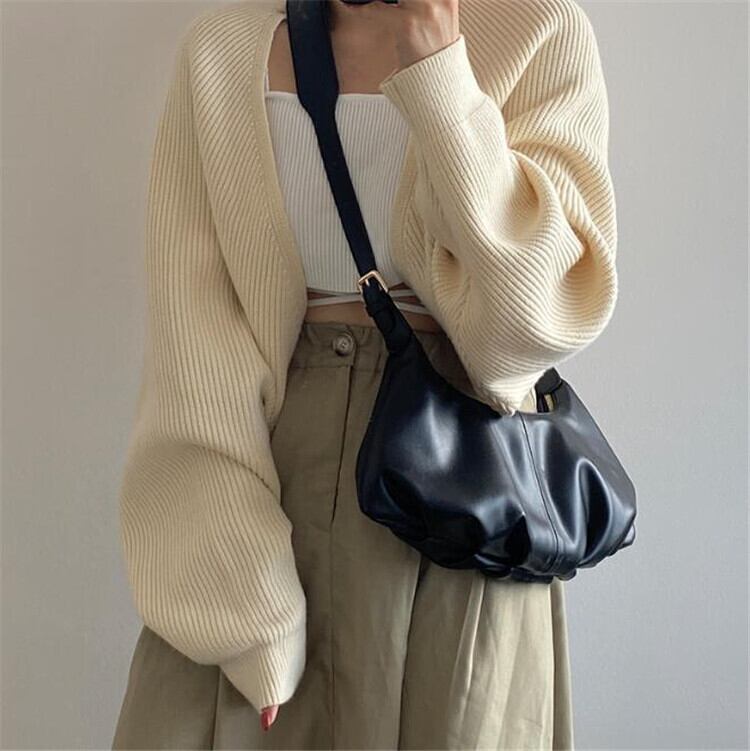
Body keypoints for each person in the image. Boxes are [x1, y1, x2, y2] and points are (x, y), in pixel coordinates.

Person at [112, 0, 619, 748]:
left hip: (463, 502)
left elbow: (529, 328)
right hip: (271, 487)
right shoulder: (226, 49)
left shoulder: (540, 29)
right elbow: (194, 348)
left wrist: (442, 80)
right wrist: (239, 595)